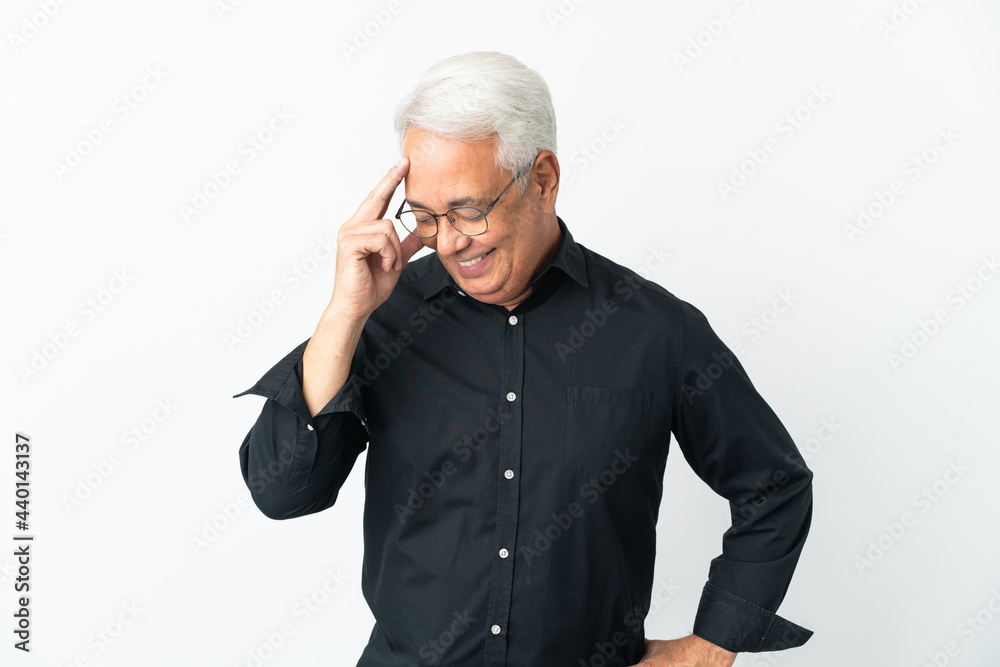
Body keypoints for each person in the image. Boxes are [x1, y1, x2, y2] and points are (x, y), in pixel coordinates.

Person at [234, 51, 813, 667]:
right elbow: (282, 491)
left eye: (469, 210)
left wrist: (711, 646)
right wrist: (344, 314)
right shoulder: (381, 316)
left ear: (542, 179)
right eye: (425, 217)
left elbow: (773, 484)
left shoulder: (657, 331)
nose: (449, 242)